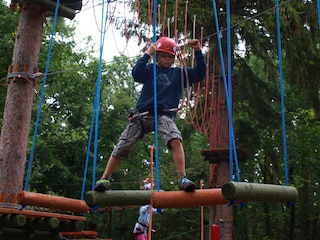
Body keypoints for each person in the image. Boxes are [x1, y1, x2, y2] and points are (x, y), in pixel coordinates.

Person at [94, 37, 206, 192]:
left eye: (170, 57)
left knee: (175, 139)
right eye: (164, 56)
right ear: (157, 56)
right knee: (122, 146)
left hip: (163, 115)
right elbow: (136, 74)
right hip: (142, 115)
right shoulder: (149, 70)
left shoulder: (179, 74)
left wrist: (198, 51)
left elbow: (200, 74)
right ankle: (104, 178)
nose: (167, 60)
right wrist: (147, 54)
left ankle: (182, 178)